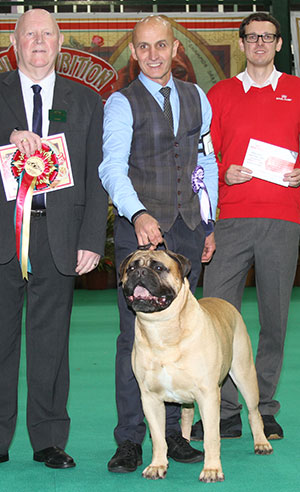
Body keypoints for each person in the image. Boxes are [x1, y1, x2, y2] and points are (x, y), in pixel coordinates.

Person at [99, 15, 218, 473]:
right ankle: (129, 438)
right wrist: (138, 213)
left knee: (186, 336)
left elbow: (205, 159)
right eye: (144, 47)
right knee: (136, 338)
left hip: (189, 229)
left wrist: (210, 221)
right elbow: (111, 167)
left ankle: (172, 437)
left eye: (161, 46)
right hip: (140, 235)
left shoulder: (197, 98)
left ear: (174, 50)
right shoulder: (120, 104)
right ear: (134, 52)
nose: (153, 55)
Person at [0, 9, 107, 468]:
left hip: (61, 240)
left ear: (60, 42)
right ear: (15, 42)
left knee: (50, 343)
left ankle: (47, 440)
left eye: (46, 34)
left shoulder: (86, 101)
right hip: (6, 237)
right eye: (29, 34)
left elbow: (95, 176)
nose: (38, 41)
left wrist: (91, 240)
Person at [191, 12, 300, 443]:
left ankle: (262, 406)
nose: (259, 44)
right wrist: (224, 172)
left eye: (267, 38)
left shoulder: (297, 91)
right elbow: (203, 159)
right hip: (230, 221)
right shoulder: (219, 94)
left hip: (282, 220)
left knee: (274, 319)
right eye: (251, 37)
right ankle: (225, 409)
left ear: (278, 45)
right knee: (217, 317)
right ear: (240, 44)